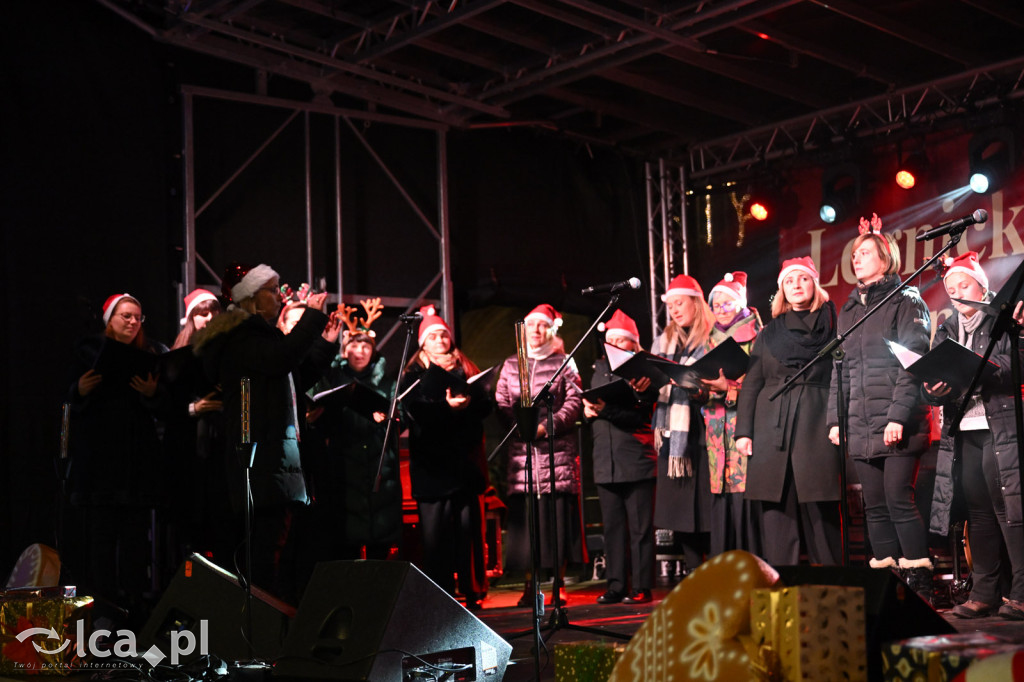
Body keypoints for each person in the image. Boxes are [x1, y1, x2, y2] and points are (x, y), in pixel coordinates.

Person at [193, 263, 337, 602]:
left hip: (276, 457)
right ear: (254, 299)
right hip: (258, 458)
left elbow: (292, 374)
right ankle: (260, 633)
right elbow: (279, 360)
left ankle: (273, 627)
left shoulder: (260, 336)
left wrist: (326, 345)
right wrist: (312, 320)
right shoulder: (240, 336)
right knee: (263, 551)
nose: (279, 297)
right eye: (272, 291)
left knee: (277, 547)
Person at [827, 213, 933, 599]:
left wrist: (897, 416)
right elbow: (840, 368)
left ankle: (919, 585)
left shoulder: (906, 300)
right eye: (855, 254)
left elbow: (914, 362)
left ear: (886, 257)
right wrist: (836, 418)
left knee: (897, 500)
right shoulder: (851, 308)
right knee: (872, 507)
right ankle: (889, 589)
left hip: (896, 420)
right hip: (859, 421)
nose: (857, 259)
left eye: (866, 252)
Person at [925, 252, 1024, 619]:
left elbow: (1016, 365)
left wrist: (980, 370)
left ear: (981, 285)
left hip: (1001, 427)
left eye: (963, 284)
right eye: (950, 288)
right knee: (979, 513)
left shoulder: (1004, 320)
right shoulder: (949, 328)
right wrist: (933, 389)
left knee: (1010, 510)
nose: (955, 293)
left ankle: (1021, 592)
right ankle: (984, 593)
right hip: (964, 429)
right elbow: (935, 375)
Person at [67, 293, 166, 624]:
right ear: (109, 320)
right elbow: (68, 402)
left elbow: (161, 409)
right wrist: (78, 391)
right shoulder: (87, 352)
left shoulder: (150, 355)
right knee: (102, 539)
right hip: (100, 463)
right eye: (125, 316)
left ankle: (135, 608)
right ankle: (105, 610)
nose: (133, 322)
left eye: (138, 317)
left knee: (137, 539)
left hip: (136, 462)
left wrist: (153, 395)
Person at [736, 257, 842, 565]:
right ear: (782, 289)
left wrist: (837, 420)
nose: (797, 285)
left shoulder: (834, 325)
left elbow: (841, 375)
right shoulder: (769, 333)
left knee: (821, 515)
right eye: (790, 280)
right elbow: (753, 383)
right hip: (772, 427)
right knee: (777, 513)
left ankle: (835, 590)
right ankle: (781, 587)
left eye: (803, 279)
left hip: (816, 422)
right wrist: (744, 431)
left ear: (815, 284)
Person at [400, 306, 491, 609]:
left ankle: (474, 590)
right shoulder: (413, 374)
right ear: (422, 342)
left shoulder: (468, 369)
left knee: (469, 533)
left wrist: (468, 404)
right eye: (433, 335)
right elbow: (414, 412)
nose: (440, 340)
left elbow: (485, 408)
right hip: (432, 468)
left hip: (465, 465)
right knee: (435, 538)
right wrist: (446, 408)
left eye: (444, 335)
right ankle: (441, 594)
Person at [495, 303, 585, 607]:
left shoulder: (565, 362)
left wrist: (547, 427)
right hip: (523, 458)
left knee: (555, 520)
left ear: (551, 330)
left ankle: (558, 585)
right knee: (528, 524)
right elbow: (503, 401)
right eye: (530, 324)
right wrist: (518, 426)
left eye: (541, 325)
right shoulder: (511, 364)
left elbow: (573, 401)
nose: (535, 330)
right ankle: (529, 586)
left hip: (555, 456)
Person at [303, 298, 402, 565]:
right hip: (343, 465)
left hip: (380, 467)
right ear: (345, 349)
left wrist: (390, 419)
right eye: (354, 345)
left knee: (381, 546)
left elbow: (400, 417)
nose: (359, 350)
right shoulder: (333, 378)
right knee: (345, 543)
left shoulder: (388, 382)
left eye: (365, 345)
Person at [584, 309, 657, 605]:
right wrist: (587, 411)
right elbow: (593, 404)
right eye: (610, 339)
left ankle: (641, 586)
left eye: (621, 340)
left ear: (633, 344)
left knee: (640, 529)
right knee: (612, 528)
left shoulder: (644, 371)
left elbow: (641, 416)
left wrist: (604, 410)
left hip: (636, 459)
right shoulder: (598, 369)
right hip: (605, 461)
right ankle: (616, 585)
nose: (614, 344)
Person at [651, 275, 715, 574]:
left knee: (705, 510)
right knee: (680, 513)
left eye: (680, 303)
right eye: (670, 305)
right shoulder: (663, 342)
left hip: (703, 433)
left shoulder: (713, 337)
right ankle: (692, 573)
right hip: (672, 436)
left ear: (696, 303)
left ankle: (715, 573)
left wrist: (695, 386)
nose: (674, 310)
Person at [163, 288, 230, 567]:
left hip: (221, 449)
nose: (210, 317)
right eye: (202, 313)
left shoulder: (229, 352)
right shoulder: (177, 355)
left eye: (214, 311)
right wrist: (194, 408)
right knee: (191, 529)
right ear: (191, 318)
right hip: (188, 454)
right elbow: (164, 406)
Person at [703, 272, 762, 556]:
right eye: (716, 303)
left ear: (741, 305)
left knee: (746, 514)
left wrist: (730, 388)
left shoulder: (757, 337)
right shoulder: (709, 340)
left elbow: (763, 386)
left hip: (746, 437)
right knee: (722, 514)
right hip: (717, 442)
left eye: (728, 303)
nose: (720, 308)